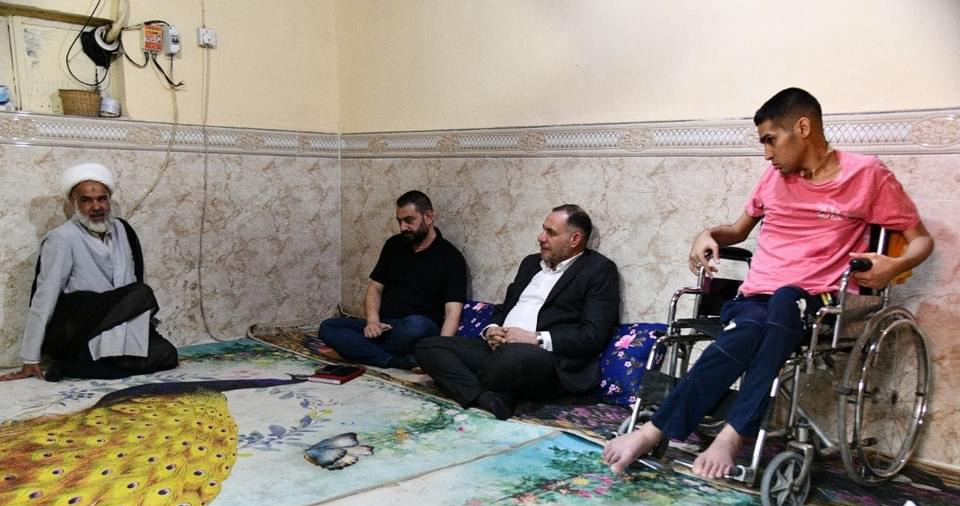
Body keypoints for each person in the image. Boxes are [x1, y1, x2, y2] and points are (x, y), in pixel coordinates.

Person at [603, 87, 934, 479]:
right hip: (757, 301)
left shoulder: (867, 175)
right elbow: (736, 231)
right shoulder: (772, 178)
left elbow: (921, 241)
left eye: (770, 140)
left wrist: (895, 265)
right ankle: (664, 431)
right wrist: (706, 234)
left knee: (784, 300)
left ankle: (721, 433)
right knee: (749, 326)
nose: (766, 153)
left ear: (803, 128)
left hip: (817, 303)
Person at [416, 204, 621, 420]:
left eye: (550, 233)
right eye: (543, 229)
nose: (541, 238)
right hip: (499, 348)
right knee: (428, 347)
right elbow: (504, 308)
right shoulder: (531, 263)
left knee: (512, 358)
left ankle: (472, 385)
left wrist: (534, 338)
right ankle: (485, 397)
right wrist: (491, 329)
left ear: (574, 239)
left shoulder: (598, 270)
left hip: (545, 358)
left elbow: (593, 335)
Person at [0, 162, 179, 383]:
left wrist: (140, 327)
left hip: (117, 320)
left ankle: (74, 365)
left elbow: (129, 284)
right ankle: (82, 358)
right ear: (73, 203)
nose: (96, 207)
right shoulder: (62, 238)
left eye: (102, 199)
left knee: (167, 355)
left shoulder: (123, 230)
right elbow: (45, 295)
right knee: (141, 293)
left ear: (109, 200)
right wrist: (30, 357)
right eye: (86, 200)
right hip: (81, 323)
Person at [318, 190, 467, 370]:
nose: (403, 227)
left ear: (428, 217)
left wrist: (440, 354)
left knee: (416, 325)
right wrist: (372, 321)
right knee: (329, 327)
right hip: (385, 327)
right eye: (399, 221)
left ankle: (362, 351)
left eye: (409, 220)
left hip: (419, 329)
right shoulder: (394, 245)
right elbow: (375, 288)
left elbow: (452, 313)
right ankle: (395, 360)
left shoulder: (451, 257)